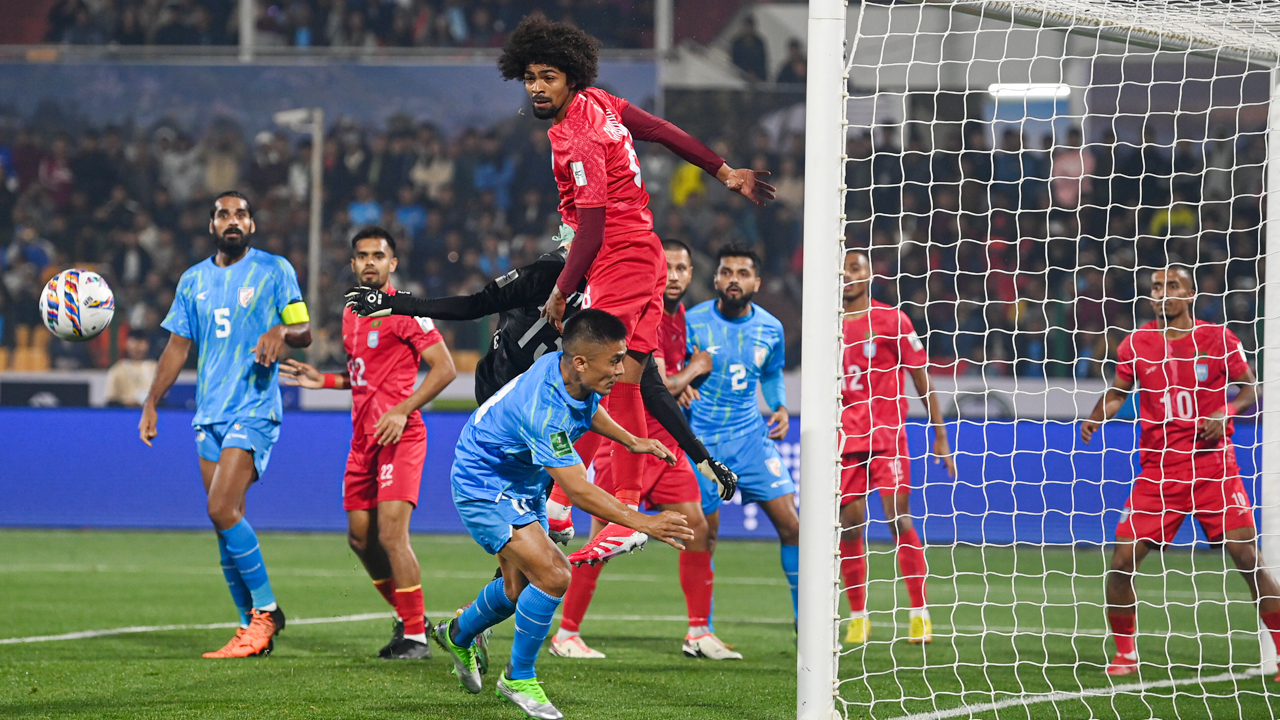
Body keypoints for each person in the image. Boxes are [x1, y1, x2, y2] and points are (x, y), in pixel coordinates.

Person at [497, 16, 775, 566]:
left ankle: (558, 503)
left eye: (548, 77)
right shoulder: (600, 102)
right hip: (647, 253)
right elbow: (663, 131)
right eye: (530, 77)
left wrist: (561, 291)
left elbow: (592, 228)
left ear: (571, 77)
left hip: (619, 258)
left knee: (582, 372)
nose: (537, 88)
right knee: (624, 378)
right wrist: (724, 171)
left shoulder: (577, 135)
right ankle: (625, 509)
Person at [345, 230, 739, 547]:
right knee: (534, 534)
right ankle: (549, 530)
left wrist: (701, 458)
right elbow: (474, 305)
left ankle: (513, 584)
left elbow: (647, 384)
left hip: (548, 413)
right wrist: (399, 304)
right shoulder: (549, 273)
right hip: (501, 397)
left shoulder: (616, 306)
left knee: (536, 547)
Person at [433, 309, 694, 720]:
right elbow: (578, 490)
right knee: (555, 574)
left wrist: (631, 441)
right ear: (581, 362)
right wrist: (644, 521)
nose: (621, 369)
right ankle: (518, 678)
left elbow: (588, 408)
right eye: (615, 361)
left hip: (521, 480)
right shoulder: (544, 411)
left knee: (517, 589)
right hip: (484, 484)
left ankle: (456, 634)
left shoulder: (570, 371)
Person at [1080, 266, 1280, 677]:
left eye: (1171, 286)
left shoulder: (1218, 339)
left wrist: (1226, 411)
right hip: (1158, 473)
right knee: (1121, 562)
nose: (1162, 292)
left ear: (1190, 294)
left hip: (1213, 468)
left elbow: (1250, 388)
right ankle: (1125, 654)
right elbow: (1118, 392)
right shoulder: (1136, 343)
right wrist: (1098, 415)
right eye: (1156, 287)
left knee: (1248, 559)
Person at [138, 191, 312, 658]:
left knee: (220, 508)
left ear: (251, 224)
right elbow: (177, 348)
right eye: (223, 214)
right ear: (212, 224)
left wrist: (280, 331)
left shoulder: (275, 270)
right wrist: (151, 401)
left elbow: (304, 331)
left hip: (253, 408)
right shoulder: (193, 280)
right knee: (224, 523)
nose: (232, 220)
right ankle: (247, 627)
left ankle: (267, 612)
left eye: (241, 214)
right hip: (209, 413)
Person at [550, 239, 737, 660]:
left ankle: (698, 632)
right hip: (626, 443)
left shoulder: (678, 317)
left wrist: (682, 383)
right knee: (601, 541)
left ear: (692, 274)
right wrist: (693, 371)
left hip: (666, 449)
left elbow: (663, 385)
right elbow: (651, 384)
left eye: (681, 268)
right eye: (666, 267)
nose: (673, 276)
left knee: (696, 530)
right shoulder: (634, 315)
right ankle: (566, 633)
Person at [280, 226, 456, 660]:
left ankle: (415, 638)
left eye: (378, 255)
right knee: (360, 539)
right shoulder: (351, 313)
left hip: (401, 436)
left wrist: (403, 410)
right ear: (353, 263)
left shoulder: (407, 310)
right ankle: (411, 619)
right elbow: (361, 377)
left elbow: (445, 368)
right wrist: (323, 380)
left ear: (392, 263)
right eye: (362, 256)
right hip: (363, 440)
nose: (370, 262)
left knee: (391, 535)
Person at [838, 251, 956, 646]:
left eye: (855, 268)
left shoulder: (892, 320)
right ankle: (858, 617)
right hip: (845, 440)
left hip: (886, 437)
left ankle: (919, 613)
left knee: (898, 518)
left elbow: (921, 379)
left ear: (870, 274)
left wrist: (940, 434)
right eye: (842, 268)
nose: (847, 274)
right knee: (850, 526)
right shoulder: (828, 325)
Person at [685, 245, 800, 622]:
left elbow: (771, 372)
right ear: (716, 279)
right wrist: (680, 384)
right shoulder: (692, 321)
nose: (734, 279)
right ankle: (701, 630)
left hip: (751, 440)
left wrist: (779, 405)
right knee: (705, 537)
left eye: (743, 273)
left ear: (757, 282)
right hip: (702, 445)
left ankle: (804, 622)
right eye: (727, 272)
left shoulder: (771, 328)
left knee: (793, 527)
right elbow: (671, 370)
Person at [105, 329, 156, 407]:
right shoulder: (118, 369)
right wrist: (128, 403)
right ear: (127, 344)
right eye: (134, 342)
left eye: (141, 343)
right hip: (125, 411)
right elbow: (111, 399)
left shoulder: (155, 367)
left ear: (147, 345)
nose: (137, 347)